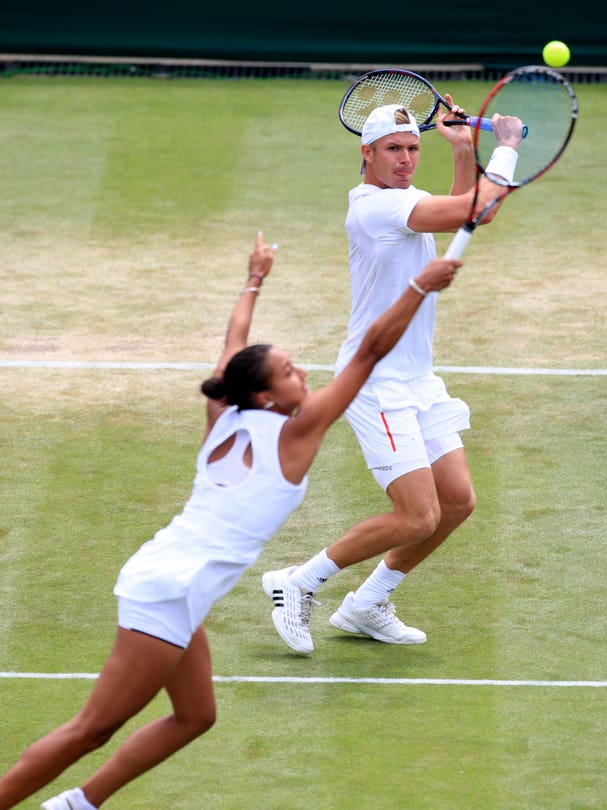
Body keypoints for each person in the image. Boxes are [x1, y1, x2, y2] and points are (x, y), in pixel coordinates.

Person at [0, 232, 460, 809]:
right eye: (289, 371)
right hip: (170, 589)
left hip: (172, 580)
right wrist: (420, 285)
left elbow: (233, 344)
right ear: (265, 397)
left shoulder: (225, 413)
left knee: (195, 716)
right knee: (90, 730)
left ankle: (76, 804)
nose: (302, 373)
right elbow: (368, 353)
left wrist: (254, 278)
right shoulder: (294, 436)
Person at [262, 99, 523, 654]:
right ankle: (297, 582)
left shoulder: (401, 199)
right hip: (375, 383)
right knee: (417, 515)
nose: (405, 159)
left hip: (417, 380)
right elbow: (480, 210)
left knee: (456, 502)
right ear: (367, 153)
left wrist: (460, 149)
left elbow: (457, 206)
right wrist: (506, 146)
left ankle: (367, 603)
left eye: (412, 149)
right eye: (393, 150)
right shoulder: (374, 210)